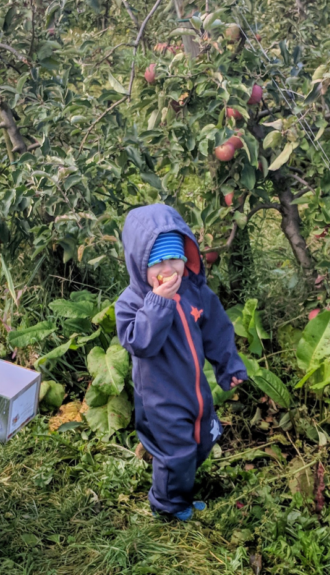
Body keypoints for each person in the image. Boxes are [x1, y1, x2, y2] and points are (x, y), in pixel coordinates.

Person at [114, 204, 247, 521]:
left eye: (174, 259)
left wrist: (229, 368)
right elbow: (139, 343)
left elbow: (218, 331)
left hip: (194, 390)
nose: (168, 270)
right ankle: (168, 506)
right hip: (160, 399)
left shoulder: (194, 292)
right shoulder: (131, 303)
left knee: (201, 442)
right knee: (177, 453)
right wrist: (158, 302)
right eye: (157, 262)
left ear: (186, 258)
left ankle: (179, 491)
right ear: (138, 264)